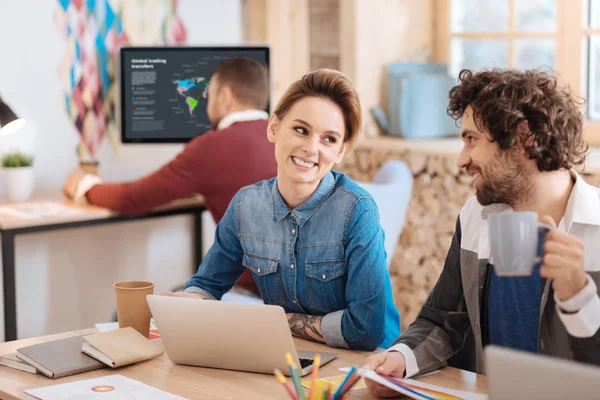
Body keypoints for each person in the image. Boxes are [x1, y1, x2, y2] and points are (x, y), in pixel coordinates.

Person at [365, 68, 600, 397]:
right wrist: (400, 359)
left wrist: (579, 297)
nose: (462, 160)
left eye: (471, 139)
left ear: (523, 138)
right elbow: (442, 319)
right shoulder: (478, 215)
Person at [162, 69, 401, 350]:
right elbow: (206, 285)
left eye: (329, 139)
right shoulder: (246, 206)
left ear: (340, 152)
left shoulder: (358, 211)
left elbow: (365, 327)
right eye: (301, 130)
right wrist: (186, 304)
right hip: (291, 355)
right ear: (274, 127)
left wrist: (276, 321)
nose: (311, 148)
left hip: (368, 365)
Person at [62, 56, 277, 294]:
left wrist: (84, 185)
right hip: (292, 293)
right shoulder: (283, 139)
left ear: (225, 97)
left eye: (209, 94)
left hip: (255, 293)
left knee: (134, 309)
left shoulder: (212, 147)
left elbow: (131, 199)